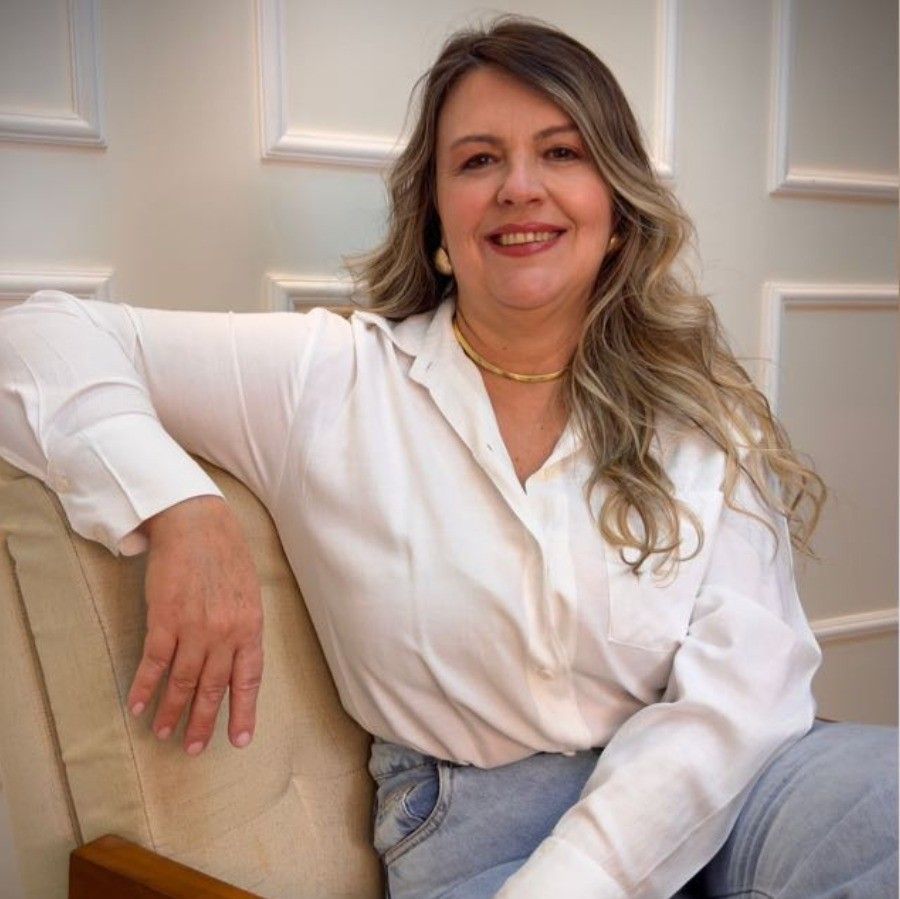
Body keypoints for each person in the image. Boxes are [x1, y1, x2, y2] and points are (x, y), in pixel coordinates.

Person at [0, 15, 895, 899]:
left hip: (730, 787)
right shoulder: (332, 377)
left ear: (618, 209)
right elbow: (32, 340)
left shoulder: (695, 403)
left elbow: (745, 683)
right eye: (477, 161)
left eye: (561, 152)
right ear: (434, 212)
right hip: (478, 825)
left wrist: (582, 877)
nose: (519, 188)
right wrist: (177, 505)